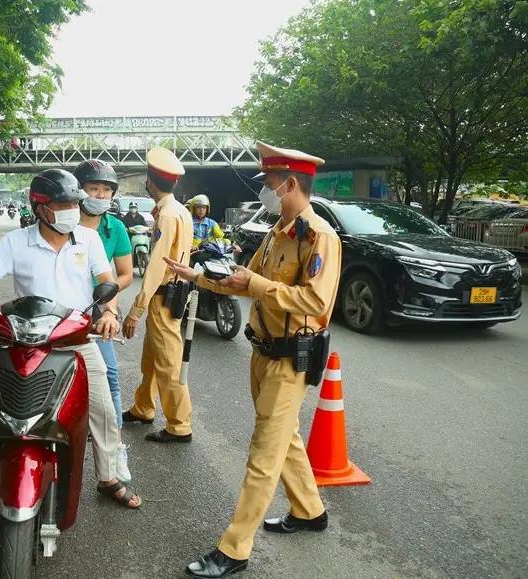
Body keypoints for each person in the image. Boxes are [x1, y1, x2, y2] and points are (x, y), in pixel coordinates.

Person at [164, 141, 341, 577]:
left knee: (264, 452)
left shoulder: (319, 237)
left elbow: (315, 302)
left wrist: (259, 285)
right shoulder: (277, 233)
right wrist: (199, 276)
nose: (264, 188)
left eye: (268, 182)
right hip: (262, 353)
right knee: (287, 438)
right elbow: (244, 282)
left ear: (290, 184)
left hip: (290, 358)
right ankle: (309, 511)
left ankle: (235, 549)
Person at [0, 169, 141, 509]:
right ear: (40, 208)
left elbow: (106, 282)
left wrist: (110, 313)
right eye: (62, 204)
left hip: (77, 339)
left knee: (105, 411)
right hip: (24, 343)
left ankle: (108, 476)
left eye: (73, 203)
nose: (71, 209)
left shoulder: (89, 239)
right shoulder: (16, 241)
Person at [121, 147, 195, 443]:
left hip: (164, 295)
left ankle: (179, 425)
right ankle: (143, 407)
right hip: (168, 295)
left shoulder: (166, 215)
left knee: (168, 363)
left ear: (150, 181)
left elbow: (154, 269)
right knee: (152, 358)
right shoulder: (179, 210)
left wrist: (134, 312)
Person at [74, 159, 134, 482]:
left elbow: (125, 275)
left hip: (99, 309)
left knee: (109, 373)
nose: (99, 194)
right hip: (63, 307)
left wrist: (105, 291)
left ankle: (116, 450)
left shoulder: (116, 229)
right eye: (93, 187)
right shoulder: (62, 223)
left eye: (106, 189)